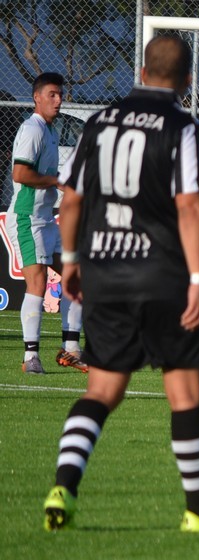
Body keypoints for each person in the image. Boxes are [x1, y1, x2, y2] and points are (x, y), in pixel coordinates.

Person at [43, 35, 199, 532]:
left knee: (101, 389)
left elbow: (71, 200)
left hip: (105, 272)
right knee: (185, 394)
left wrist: (70, 261)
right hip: (162, 276)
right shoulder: (184, 127)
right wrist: (197, 280)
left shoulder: (99, 122)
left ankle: (63, 487)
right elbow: (189, 205)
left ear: (141, 71)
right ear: (186, 81)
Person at [4, 72, 88, 374]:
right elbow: (20, 174)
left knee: (75, 277)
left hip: (46, 219)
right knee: (37, 283)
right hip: (27, 218)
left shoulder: (50, 130)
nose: (58, 99)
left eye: (60, 94)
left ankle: (71, 350)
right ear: (36, 98)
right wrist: (57, 181)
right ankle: (31, 357)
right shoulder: (33, 129)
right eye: (52, 94)